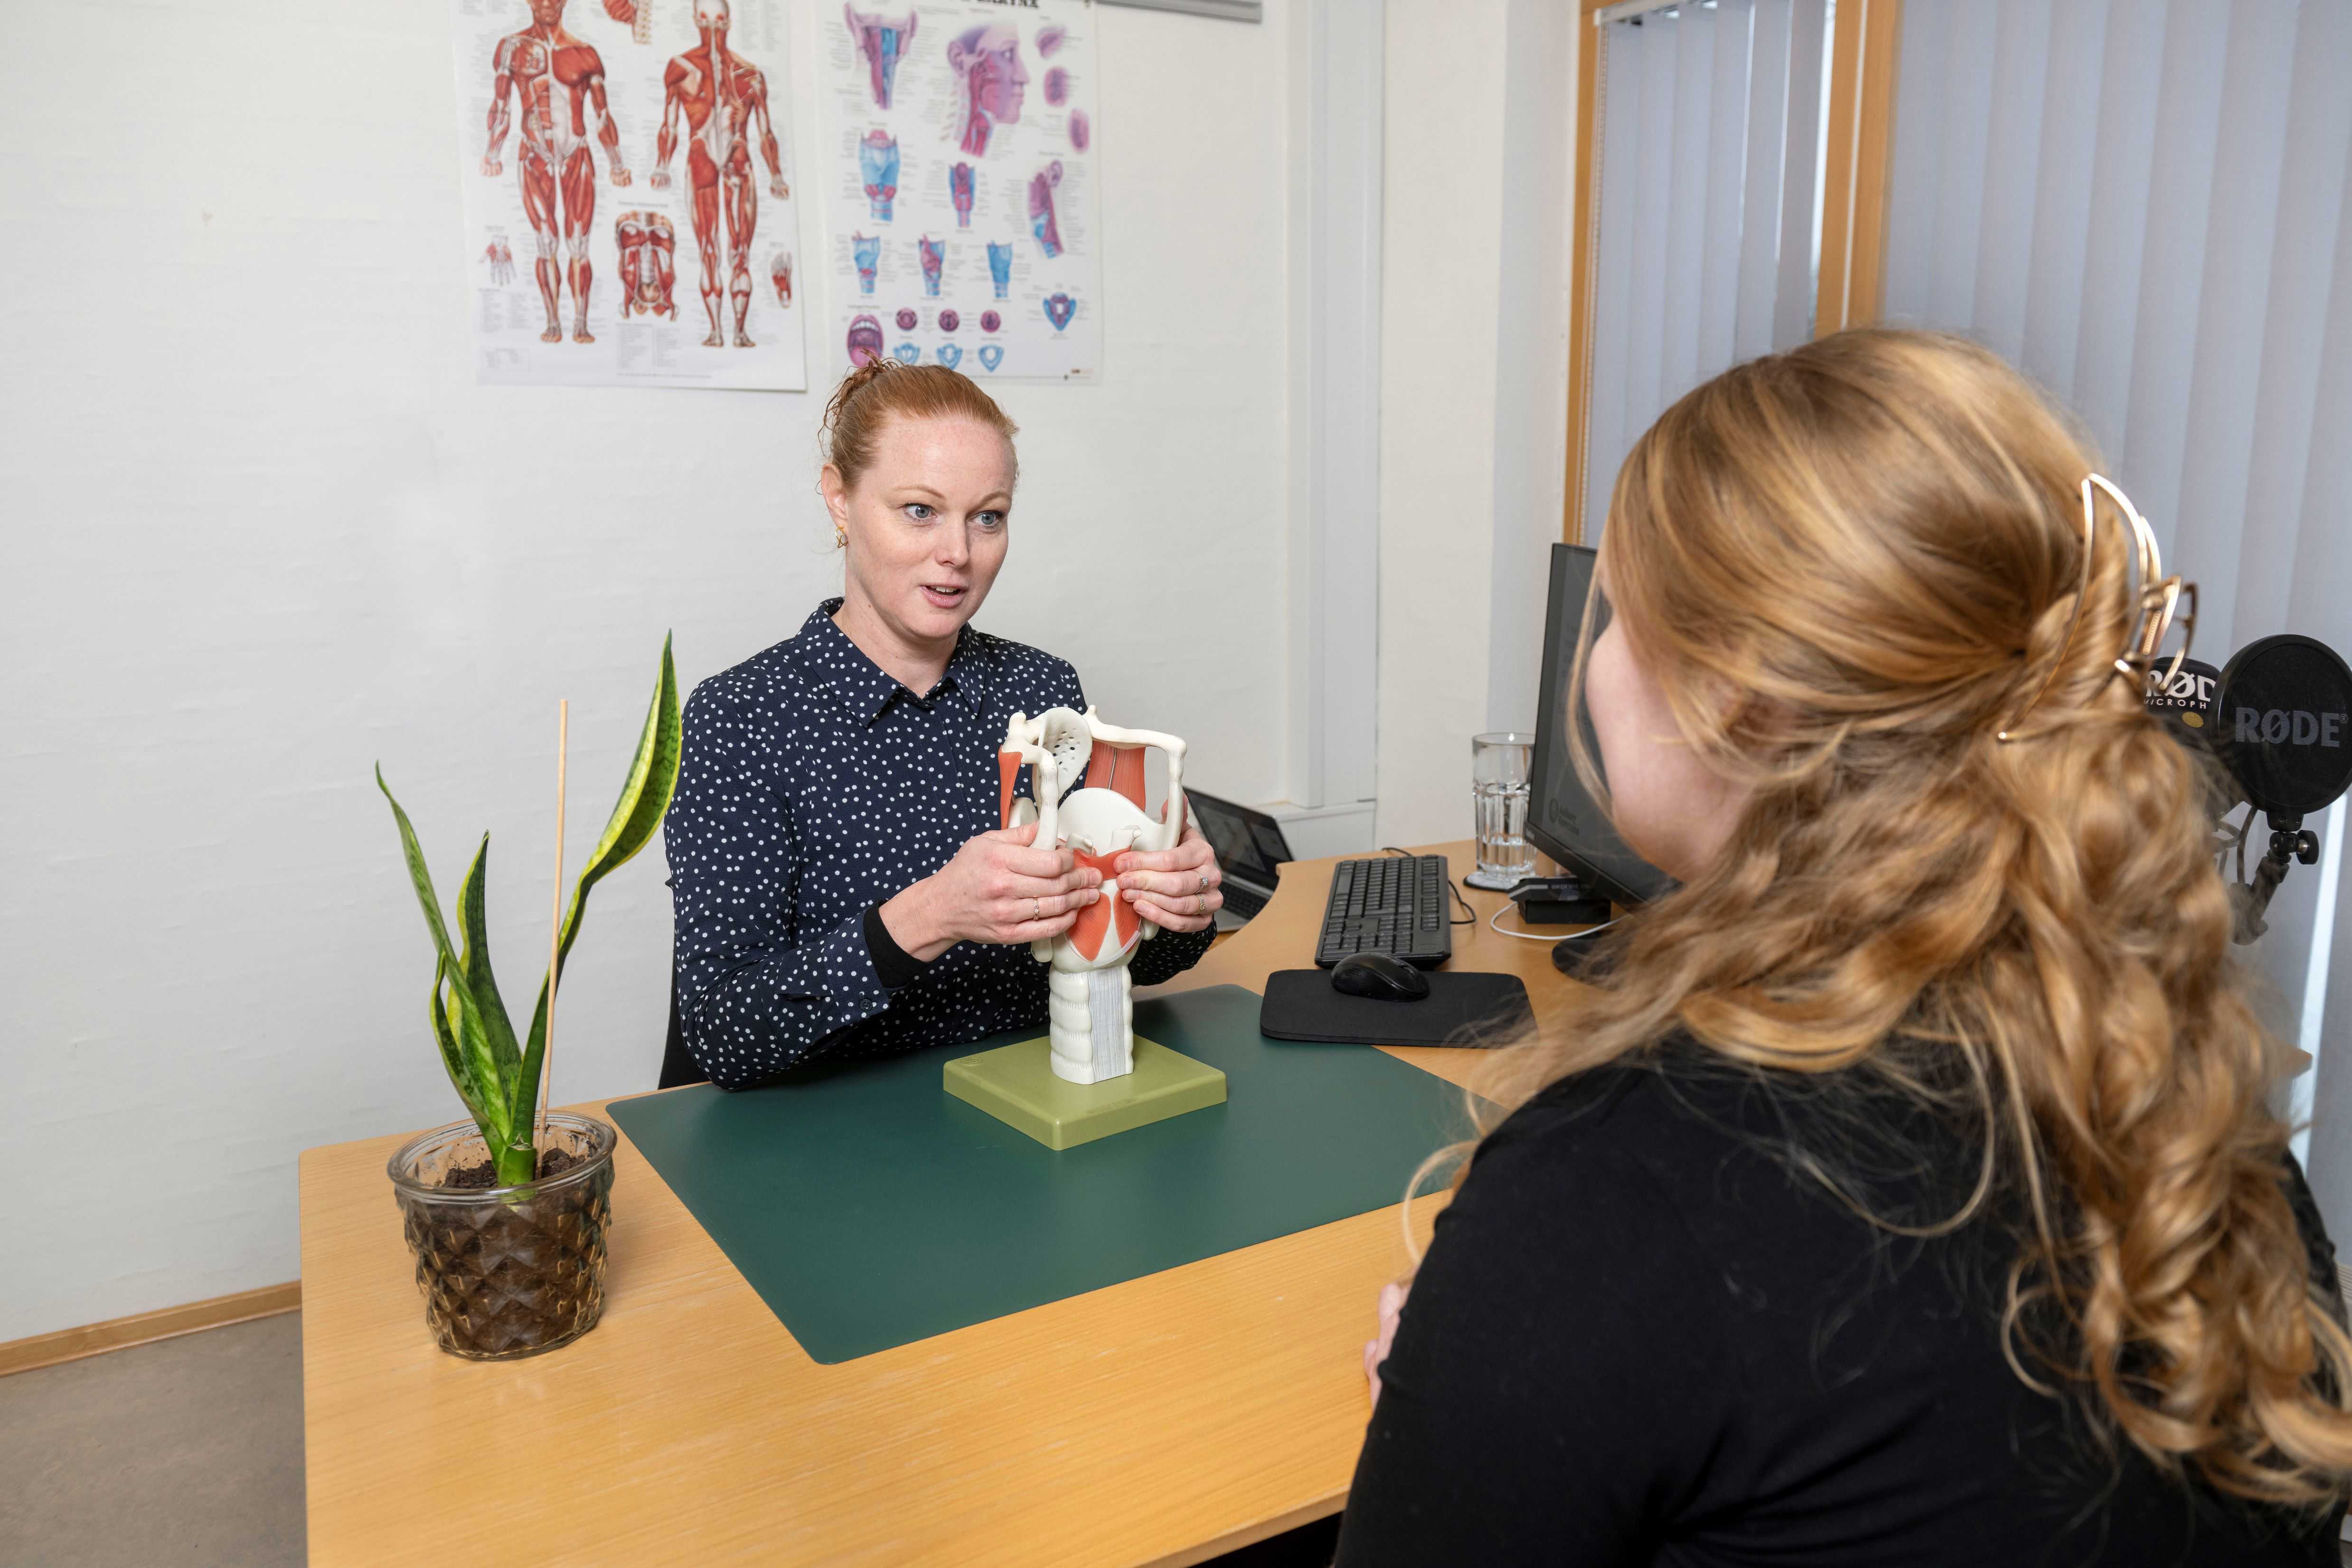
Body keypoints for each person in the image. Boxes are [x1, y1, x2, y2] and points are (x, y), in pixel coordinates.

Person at [1340, 330, 2352, 1564]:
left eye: (1617, 613)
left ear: (1731, 695)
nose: (1591, 655)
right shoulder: (2186, 1097)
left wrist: (1478, 1390)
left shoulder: (1620, 1189)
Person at [663, 362, 1226, 1090]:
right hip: (834, 1139)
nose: (957, 554)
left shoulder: (1041, 686)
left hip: (1038, 1104)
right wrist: (929, 916)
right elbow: (723, 1034)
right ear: (840, 499)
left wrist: (1173, 907)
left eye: (987, 516)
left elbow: (1112, 952)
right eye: (919, 510)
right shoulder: (743, 718)